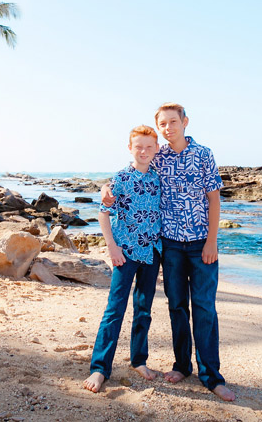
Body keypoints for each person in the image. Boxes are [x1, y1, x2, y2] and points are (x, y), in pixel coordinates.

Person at [102, 103, 236, 402]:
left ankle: (212, 377)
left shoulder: (203, 155)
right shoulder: (158, 155)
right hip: (170, 245)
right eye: (163, 123)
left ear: (185, 122)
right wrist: (104, 189)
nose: (168, 127)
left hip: (201, 243)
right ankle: (182, 365)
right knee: (177, 306)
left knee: (204, 308)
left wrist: (212, 240)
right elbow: (129, 174)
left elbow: (214, 200)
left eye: (173, 122)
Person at [83, 125, 163, 393]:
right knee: (114, 310)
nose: (143, 151)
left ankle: (138, 360)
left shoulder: (157, 178)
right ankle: (99, 368)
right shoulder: (120, 179)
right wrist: (112, 248)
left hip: (152, 254)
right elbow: (103, 213)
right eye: (138, 146)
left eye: (149, 147)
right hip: (125, 254)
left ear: (156, 150)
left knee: (143, 310)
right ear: (130, 148)